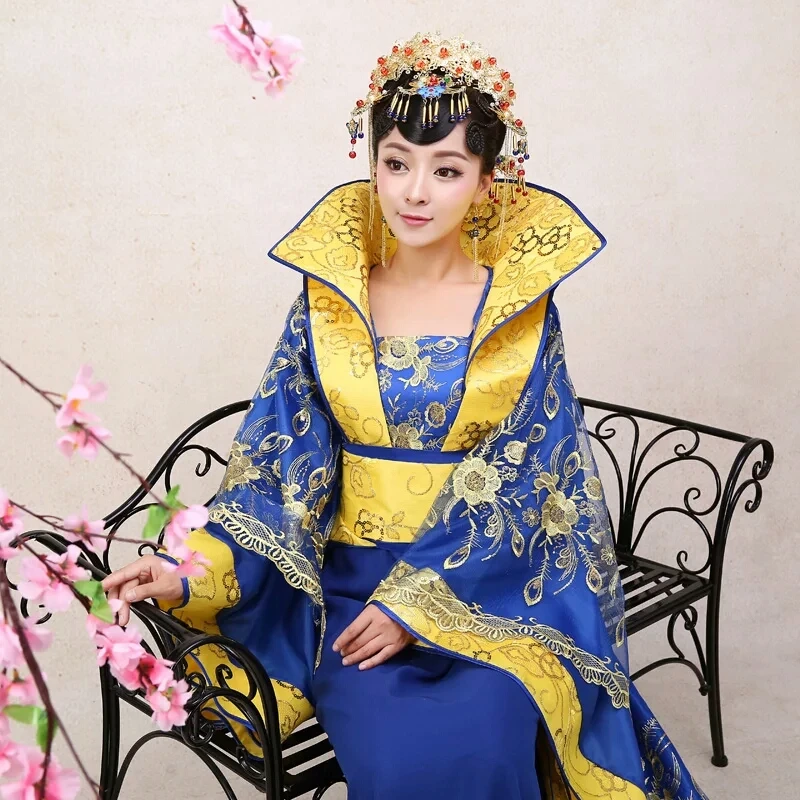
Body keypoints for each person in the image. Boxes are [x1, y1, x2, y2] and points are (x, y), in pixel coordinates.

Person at [102, 32, 708, 800]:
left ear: (486, 182)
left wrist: (420, 606)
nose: (415, 192)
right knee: (404, 767)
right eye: (397, 163)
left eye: (446, 169)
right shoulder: (327, 305)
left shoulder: (521, 313)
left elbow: (532, 475)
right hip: (350, 598)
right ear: (374, 166)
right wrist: (187, 571)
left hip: (491, 592)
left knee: (488, 740)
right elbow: (275, 466)